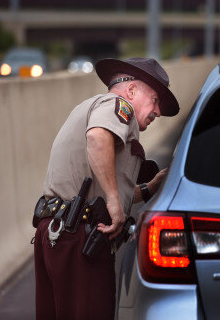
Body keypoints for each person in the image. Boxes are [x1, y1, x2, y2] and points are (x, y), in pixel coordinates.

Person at [33, 57, 180, 320]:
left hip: (58, 233)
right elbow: (97, 139)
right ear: (132, 91)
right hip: (79, 237)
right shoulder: (118, 105)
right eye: (155, 100)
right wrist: (114, 202)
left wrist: (150, 187)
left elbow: (101, 188)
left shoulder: (89, 106)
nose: (157, 111)